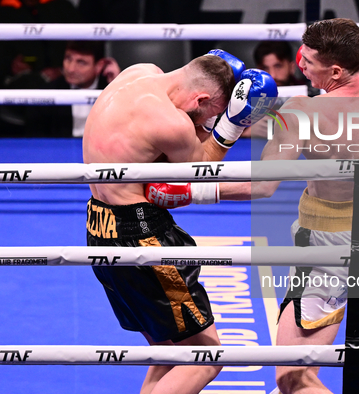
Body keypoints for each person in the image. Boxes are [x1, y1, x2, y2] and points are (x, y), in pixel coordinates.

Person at [146, 18, 359, 394]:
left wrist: (190, 193)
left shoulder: (303, 112)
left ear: (335, 70)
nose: (300, 65)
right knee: (310, 361)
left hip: (327, 246)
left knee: (293, 378)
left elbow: (263, 185)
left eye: (308, 60)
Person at [82, 50, 277, 394]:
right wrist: (231, 126)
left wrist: (206, 121)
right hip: (142, 237)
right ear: (201, 98)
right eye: (210, 114)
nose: (204, 123)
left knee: (168, 352)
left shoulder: (139, 72)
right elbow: (200, 172)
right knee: (207, 355)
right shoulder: (171, 124)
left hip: (98, 226)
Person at [26, 41, 121, 137]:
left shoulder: (112, 89)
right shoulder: (46, 95)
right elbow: (36, 142)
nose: (71, 69)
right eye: (68, 59)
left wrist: (118, 83)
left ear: (99, 66)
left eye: (81, 62)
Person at [244, 41, 307, 138]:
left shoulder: (309, 93)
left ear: (292, 67)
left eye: (278, 66)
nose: (272, 75)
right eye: (265, 68)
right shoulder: (246, 96)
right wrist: (244, 132)